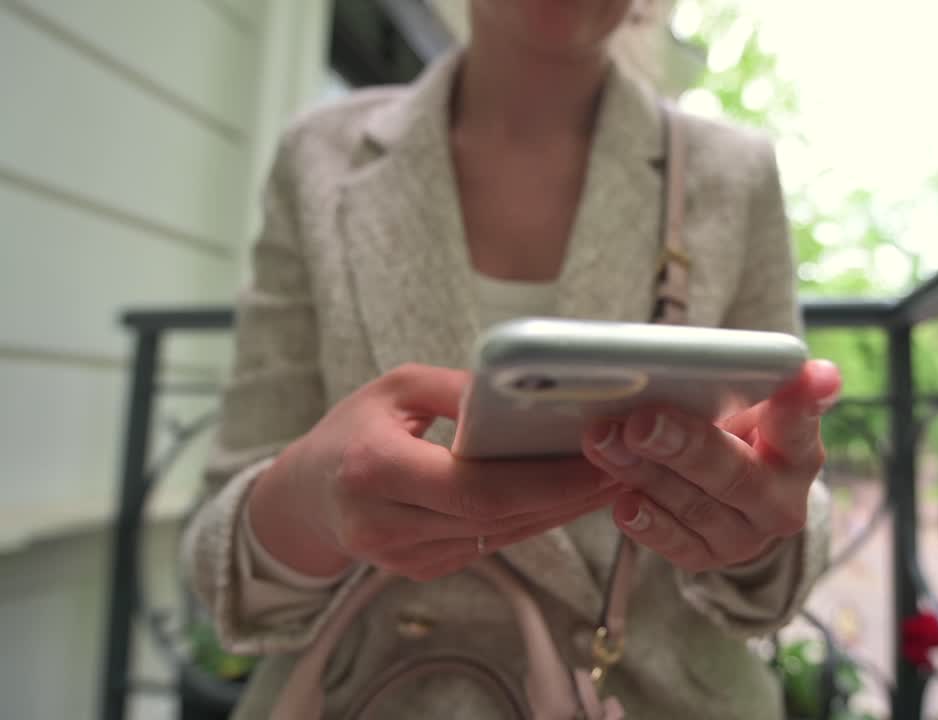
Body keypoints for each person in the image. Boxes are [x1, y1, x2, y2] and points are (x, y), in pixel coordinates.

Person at [181, 1, 841, 717]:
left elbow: (775, 479)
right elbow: (218, 562)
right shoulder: (318, 155)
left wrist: (758, 527)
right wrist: (310, 501)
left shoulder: (735, 174)